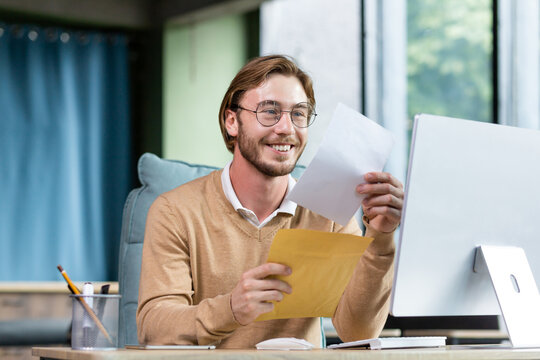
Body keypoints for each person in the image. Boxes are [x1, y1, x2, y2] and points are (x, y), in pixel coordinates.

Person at [136, 55, 404, 348]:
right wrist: (232, 308)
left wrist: (381, 239)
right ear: (231, 121)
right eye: (269, 111)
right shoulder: (175, 211)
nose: (286, 128)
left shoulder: (327, 211)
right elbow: (154, 326)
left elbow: (359, 333)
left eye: (299, 114)